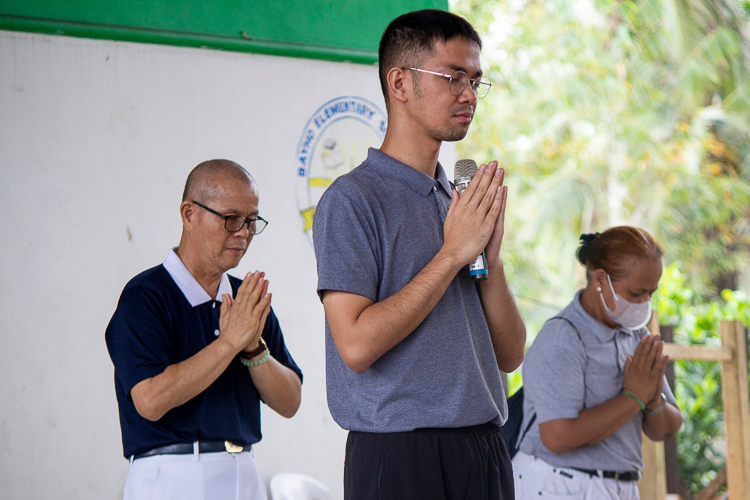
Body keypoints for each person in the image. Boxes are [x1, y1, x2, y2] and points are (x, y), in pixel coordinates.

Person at [312, 9, 526, 500]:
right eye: (453, 77)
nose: (469, 95)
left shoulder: (461, 200)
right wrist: (452, 254)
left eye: (476, 80)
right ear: (400, 83)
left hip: (485, 449)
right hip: (401, 456)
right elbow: (357, 346)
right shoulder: (353, 199)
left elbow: (511, 355)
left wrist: (486, 259)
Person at [106, 160, 303, 500]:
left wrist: (254, 349)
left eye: (251, 221)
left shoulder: (246, 300)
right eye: (231, 219)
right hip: (171, 474)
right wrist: (229, 343)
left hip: (244, 472)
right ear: (189, 214)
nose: (243, 232)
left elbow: (290, 401)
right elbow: (150, 400)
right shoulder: (145, 297)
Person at [513, 226, 683, 500]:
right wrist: (634, 397)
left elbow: (668, 427)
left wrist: (652, 400)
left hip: (621, 486)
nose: (645, 303)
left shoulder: (637, 333)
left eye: (651, 293)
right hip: (560, 485)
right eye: (637, 293)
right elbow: (557, 437)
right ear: (601, 280)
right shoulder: (563, 338)